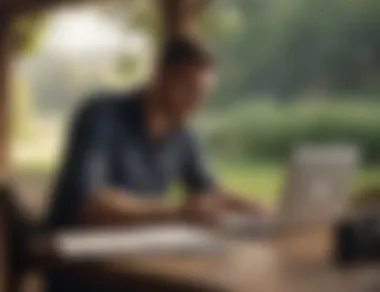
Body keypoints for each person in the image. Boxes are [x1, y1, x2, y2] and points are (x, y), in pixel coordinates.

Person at [45, 36, 264, 291]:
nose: (198, 103)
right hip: (83, 270)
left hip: (139, 259)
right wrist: (177, 213)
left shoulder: (184, 134)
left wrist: (256, 208)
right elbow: (90, 204)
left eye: (204, 94)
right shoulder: (101, 114)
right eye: (190, 90)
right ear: (160, 77)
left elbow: (209, 192)